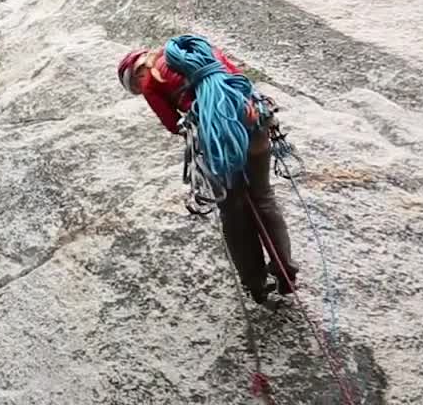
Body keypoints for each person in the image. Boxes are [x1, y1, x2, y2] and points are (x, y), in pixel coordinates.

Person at [118, 34, 298, 304]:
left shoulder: (152, 83)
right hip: (252, 120)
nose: (140, 87)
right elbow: (239, 78)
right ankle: (286, 272)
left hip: (219, 140)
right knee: (263, 198)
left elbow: (172, 124)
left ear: (136, 74)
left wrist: (203, 121)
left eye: (135, 85)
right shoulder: (200, 49)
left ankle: (256, 284)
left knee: (233, 211)